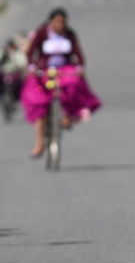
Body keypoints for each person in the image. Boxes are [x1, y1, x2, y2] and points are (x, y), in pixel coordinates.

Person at [21, 8, 101, 158]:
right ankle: (39, 144)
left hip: (64, 70)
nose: (59, 25)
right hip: (46, 71)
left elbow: (78, 54)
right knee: (39, 102)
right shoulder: (42, 33)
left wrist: (79, 67)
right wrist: (32, 66)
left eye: (62, 22)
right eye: (56, 22)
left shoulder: (70, 35)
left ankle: (67, 115)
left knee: (73, 85)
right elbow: (31, 52)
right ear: (51, 22)